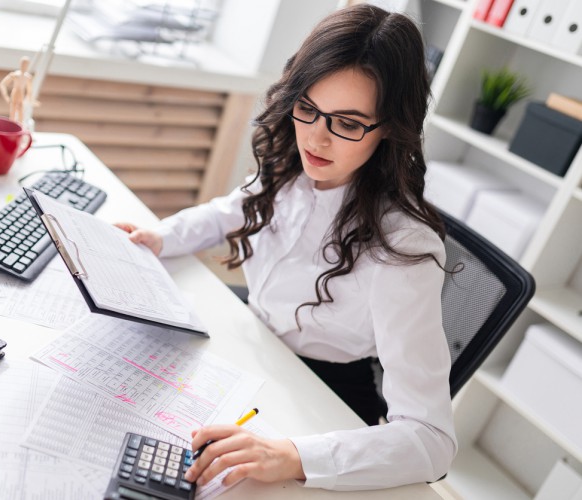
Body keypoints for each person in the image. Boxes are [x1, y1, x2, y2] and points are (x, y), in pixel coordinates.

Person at [116, 3, 457, 491]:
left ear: (388, 129)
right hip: (254, 348)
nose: (316, 138)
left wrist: (296, 455)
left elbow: (431, 440)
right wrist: (160, 237)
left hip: (322, 393)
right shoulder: (290, 167)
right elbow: (225, 212)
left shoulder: (404, 248)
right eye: (309, 108)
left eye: (348, 122)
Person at [0, 56, 36, 125]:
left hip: (21, 94)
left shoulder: (28, 77)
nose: (24, 66)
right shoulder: (15, 75)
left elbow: (29, 90)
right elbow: (3, 84)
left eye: (26, 64)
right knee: (12, 111)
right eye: (23, 63)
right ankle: (11, 127)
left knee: (21, 113)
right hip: (15, 93)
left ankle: (20, 129)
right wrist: (6, 96)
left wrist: (30, 99)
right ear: (20, 64)